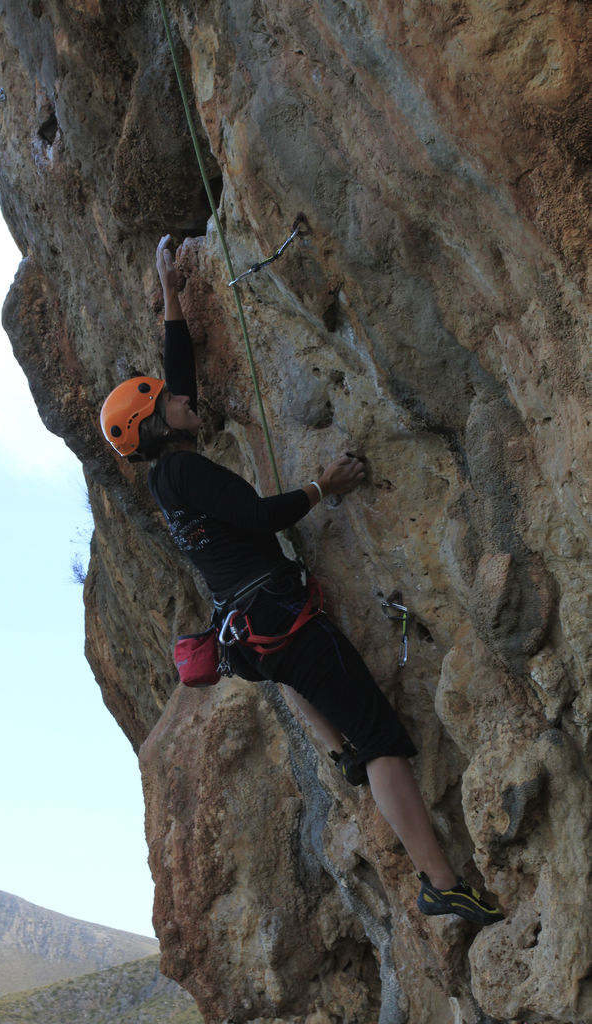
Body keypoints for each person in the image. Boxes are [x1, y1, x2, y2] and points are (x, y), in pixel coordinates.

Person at [100, 234, 504, 927]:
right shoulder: (185, 470)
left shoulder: (169, 471)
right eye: (168, 400)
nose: (181, 396)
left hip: (253, 632)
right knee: (384, 742)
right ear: (158, 425)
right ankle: (440, 880)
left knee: (333, 712)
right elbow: (259, 516)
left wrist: (170, 295)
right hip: (281, 625)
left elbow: (178, 378)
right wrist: (326, 485)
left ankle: (344, 753)